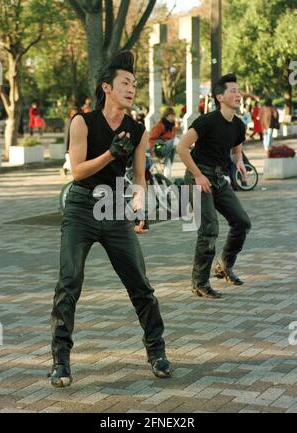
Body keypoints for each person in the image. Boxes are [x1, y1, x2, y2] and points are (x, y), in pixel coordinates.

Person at [49, 51, 172, 388]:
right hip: (81, 208)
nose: (132, 88)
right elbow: (77, 172)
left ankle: (157, 352)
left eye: (134, 83)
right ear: (107, 87)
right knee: (69, 281)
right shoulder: (82, 122)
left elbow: (139, 177)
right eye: (125, 83)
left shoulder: (137, 129)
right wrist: (109, 154)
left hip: (116, 208)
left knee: (140, 284)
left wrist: (140, 209)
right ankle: (60, 360)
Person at [177, 73, 251, 299]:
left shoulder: (238, 125)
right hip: (198, 176)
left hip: (219, 179)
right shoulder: (207, 121)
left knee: (241, 222)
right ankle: (199, 283)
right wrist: (198, 175)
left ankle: (224, 265)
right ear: (220, 97)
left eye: (239, 91)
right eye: (233, 91)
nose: (238, 94)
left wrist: (239, 164)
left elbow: (236, 150)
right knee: (209, 230)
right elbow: (182, 148)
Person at [149, 107, 178, 179]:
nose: (172, 118)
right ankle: (186, 152)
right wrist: (153, 151)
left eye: (173, 116)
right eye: (171, 116)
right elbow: (152, 139)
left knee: (168, 163)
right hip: (159, 148)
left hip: (168, 148)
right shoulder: (159, 125)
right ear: (166, 116)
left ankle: (167, 177)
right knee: (175, 141)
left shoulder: (172, 127)